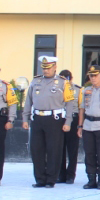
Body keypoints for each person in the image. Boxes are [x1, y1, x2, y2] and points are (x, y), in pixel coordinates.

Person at [22, 55, 76, 188]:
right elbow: (28, 101)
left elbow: (69, 103)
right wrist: (25, 118)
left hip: (54, 119)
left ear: (55, 67)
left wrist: (68, 122)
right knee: (37, 149)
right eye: (44, 68)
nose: (45, 71)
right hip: (37, 118)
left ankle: (51, 179)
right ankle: (40, 179)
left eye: (48, 68)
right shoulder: (35, 82)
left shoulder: (63, 82)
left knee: (54, 150)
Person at [57, 69, 81, 184]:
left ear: (71, 79)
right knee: (59, 148)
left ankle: (71, 175)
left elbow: (81, 108)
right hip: (60, 119)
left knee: (72, 149)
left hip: (74, 119)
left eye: (67, 79)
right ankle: (61, 174)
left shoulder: (78, 90)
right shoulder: (56, 89)